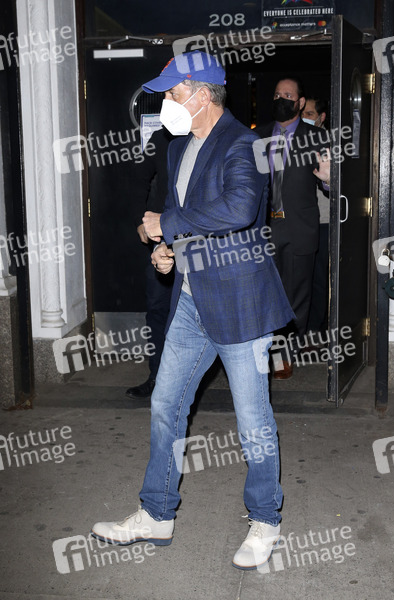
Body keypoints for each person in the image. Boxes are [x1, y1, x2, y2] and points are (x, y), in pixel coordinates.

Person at [91, 51, 294, 571]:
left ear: (203, 94)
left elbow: (238, 209)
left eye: (173, 92)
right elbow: (183, 218)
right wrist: (167, 250)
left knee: (253, 419)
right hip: (189, 300)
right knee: (166, 404)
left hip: (240, 305)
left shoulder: (244, 144)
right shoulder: (179, 146)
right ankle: (156, 513)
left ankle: (265, 519)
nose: (166, 102)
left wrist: (167, 225)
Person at [256, 78, 330, 379]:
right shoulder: (257, 136)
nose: (281, 99)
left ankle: (284, 355)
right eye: (276, 94)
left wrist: (329, 180)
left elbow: (330, 182)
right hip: (264, 227)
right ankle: (267, 350)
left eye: (287, 95)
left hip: (299, 227)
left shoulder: (316, 137)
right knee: (266, 293)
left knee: (297, 295)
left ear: (299, 103)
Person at [126, 127, 174, 399]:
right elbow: (138, 179)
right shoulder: (161, 137)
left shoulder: (211, 134)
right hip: (162, 235)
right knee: (158, 309)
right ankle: (157, 378)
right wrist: (139, 221)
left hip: (201, 237)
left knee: (206, 310)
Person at [302, 97, 330, 336]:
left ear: (322, 117)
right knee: (301, 278)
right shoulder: (296, 142)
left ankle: (314, 329)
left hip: (323, 221)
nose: (305, 118)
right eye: (303, 113)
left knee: (319, 278)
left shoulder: (330, 143)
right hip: (298, 222)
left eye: (310, 114)